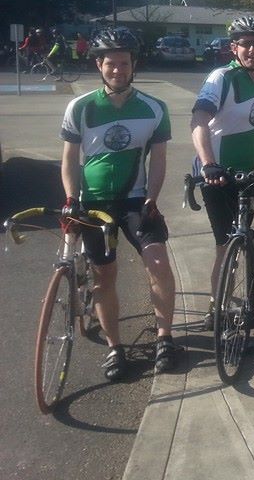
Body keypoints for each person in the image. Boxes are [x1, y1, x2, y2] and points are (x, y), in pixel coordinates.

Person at [59, 27, 177, 377]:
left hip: (136, 199)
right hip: (93, 203)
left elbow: (159, 160)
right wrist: (71, 199)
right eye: (110, 63)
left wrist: (152, 198)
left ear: (133, 64)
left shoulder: (155, 108)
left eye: (124, 63)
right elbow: (69, 159)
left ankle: (165, 339)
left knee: (158, 263)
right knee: (104, 275)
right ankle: (115, 348)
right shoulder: (80, 107)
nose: (118, 70)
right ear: (99, 65)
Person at [190, 16, 254, 330]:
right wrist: (208, 163)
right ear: (234, 47)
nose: (252, 50)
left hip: (248, 172)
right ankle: (216, 308)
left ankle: (247, 296)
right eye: (245, 44)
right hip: (219, 175)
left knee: (245, 236)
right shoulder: (222, 78)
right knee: (226, 245)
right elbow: (198, 121)